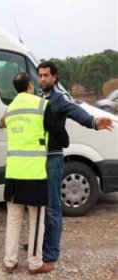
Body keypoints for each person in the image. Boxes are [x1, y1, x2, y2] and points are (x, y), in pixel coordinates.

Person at [36, 61, 113, 267]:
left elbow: (77, 113)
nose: (42, 79)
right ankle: (40, 245)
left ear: (54, 77)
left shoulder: (59, 99)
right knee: (39, 206)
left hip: (52, 159)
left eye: (46, 75)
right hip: (35, 160)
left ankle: (50, 254)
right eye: (40, 75)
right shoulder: (36, 97)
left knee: (52, 208)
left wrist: (95, 123)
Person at [2, 73, 69, 275]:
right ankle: (34, 263)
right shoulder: (41, 106)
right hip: (34, 173)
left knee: (13, 219)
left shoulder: (10, 109)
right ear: (30, 85)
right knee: (36, 220)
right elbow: (61, 136)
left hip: (13, 173)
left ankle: (10, 261)